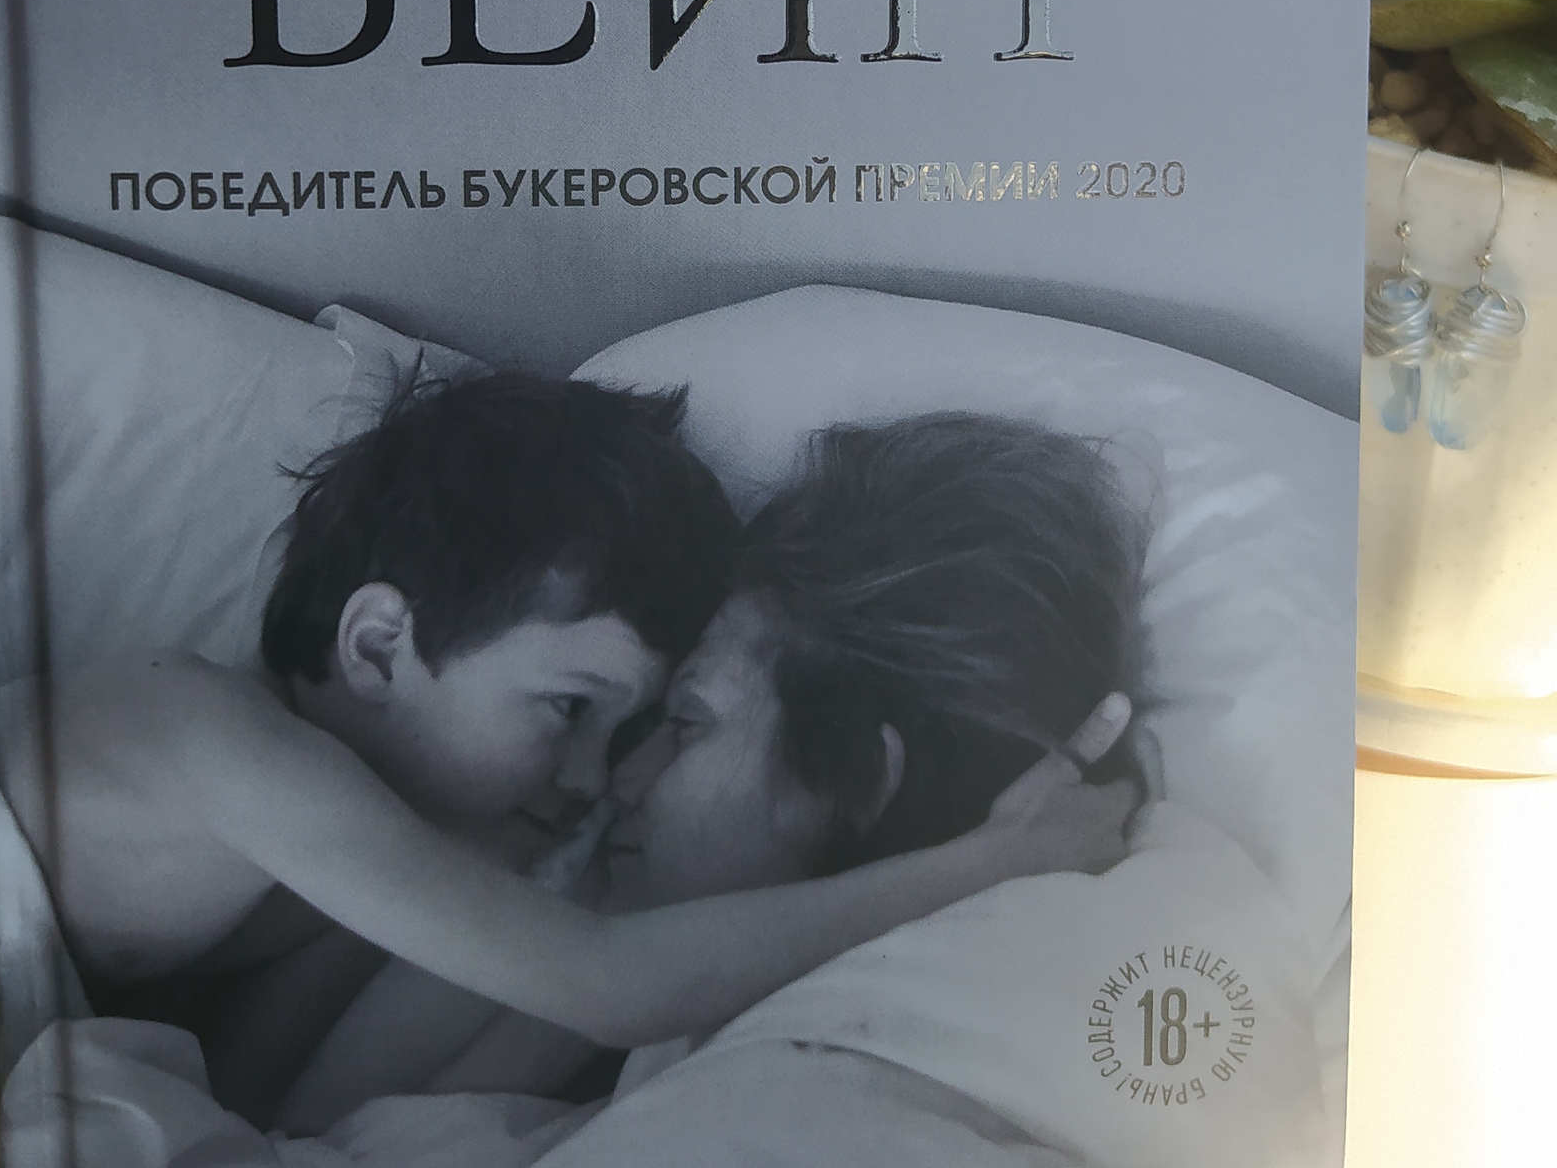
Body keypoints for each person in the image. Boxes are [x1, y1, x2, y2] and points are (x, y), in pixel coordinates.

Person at [0, 373, 1132, 1123]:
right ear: (378, 646)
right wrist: (991, 863)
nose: (595, 777)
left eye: (650, 725)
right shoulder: (218, 745)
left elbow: (246, 1102)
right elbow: (604, 980)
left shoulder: (374, 835)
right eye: (568, 709)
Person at [274, 411, 1143, 1130]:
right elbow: (303, 1130)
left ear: (855, 779)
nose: (617, 779)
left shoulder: (793, 1100)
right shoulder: (609, 938)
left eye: (685, 723)